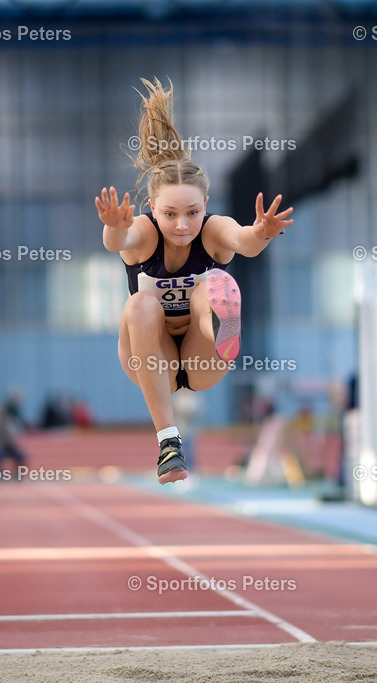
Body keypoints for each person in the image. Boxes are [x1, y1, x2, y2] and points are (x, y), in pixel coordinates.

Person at [96, 78, 293, 484]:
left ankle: (223, 325)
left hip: (202, 359)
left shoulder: (214, 229)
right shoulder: (144, 233)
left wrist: (262, 232)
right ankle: (169, 443)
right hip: (153, 361)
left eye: (192, 213)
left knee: (215, 285)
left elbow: (244, 241)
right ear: (152, 208)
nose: (182, 225)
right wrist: (114, 228)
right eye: (170, 214)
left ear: (206, 206)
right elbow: (120, 240)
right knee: (139, 305)